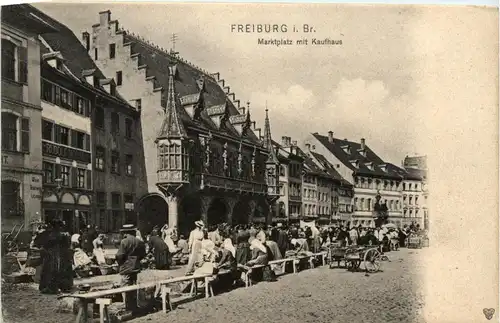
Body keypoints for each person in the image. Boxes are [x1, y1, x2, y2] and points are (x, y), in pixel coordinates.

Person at [34, 219, 74, 294]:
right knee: (57, 270)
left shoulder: (46, 234)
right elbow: (67, 245)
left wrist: (44, 249)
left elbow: (37, 243)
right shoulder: (63, 234)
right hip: (58, 255)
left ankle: (49, 287)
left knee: (50, 270)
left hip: (52, 254)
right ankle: (60, 287)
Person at [115, 224, 146, 312]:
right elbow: (143, 254)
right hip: (135, 266)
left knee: (125, 287)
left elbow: (120, 255)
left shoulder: (124, 241)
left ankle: (127, 307)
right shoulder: (139, 241)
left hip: (126, 267)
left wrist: (119, 262)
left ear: (125, 233)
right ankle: (134, 305)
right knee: (133, 286)